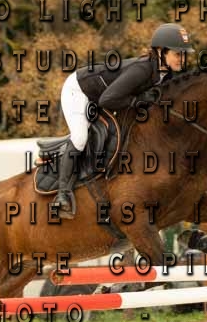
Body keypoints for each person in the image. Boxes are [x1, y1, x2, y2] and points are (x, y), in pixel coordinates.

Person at [53, 23, 196, 219]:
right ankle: (62, 195)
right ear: (160, 51)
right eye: (177, 54)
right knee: (80, 138)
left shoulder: (166, 72)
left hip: (103, 96)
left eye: (184, 54)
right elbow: (107, 99)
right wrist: (138, 101)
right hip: (79, 91)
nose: (182, 58)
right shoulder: (142, 69)